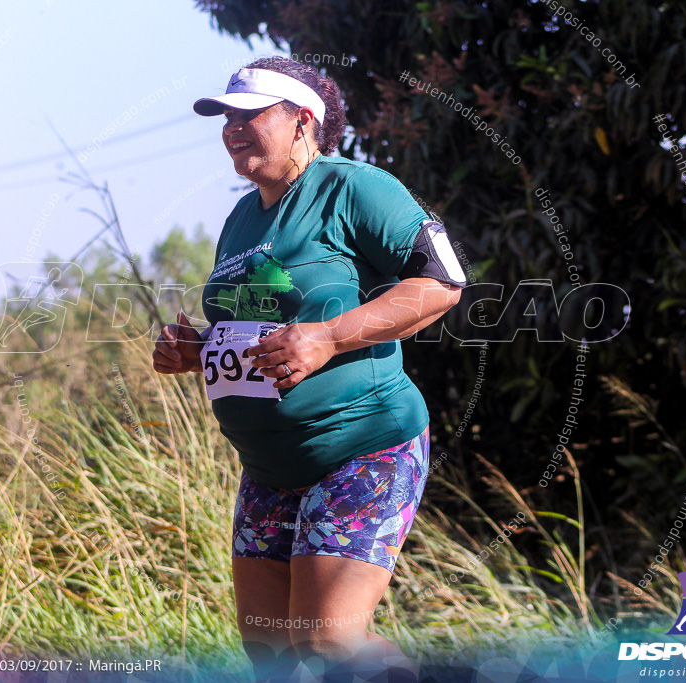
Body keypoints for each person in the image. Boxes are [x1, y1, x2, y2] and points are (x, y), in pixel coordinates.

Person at [152, 56, 465, 682]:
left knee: (329, 641)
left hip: (363, 445)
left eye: (250, 115)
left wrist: (328, 337)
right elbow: (266, 324)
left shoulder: (355, 187)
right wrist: (202, 348)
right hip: (269, 466)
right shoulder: (242, 217)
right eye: (226, 118)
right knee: (272, 657)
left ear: (302, 121)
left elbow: (443, 283)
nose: (232, 128)